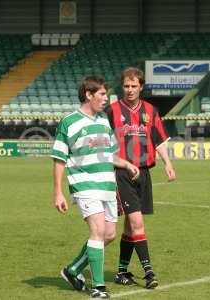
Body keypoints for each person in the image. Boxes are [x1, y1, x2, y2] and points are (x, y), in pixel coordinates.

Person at [52, 76, 140, 298]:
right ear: (88, 95)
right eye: (102, 94)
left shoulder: (103, 120)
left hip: (107, 186)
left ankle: (72, 270)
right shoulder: (69, 122)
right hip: (84, 185)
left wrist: (127, 163)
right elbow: (59, 158)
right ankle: (98, 287)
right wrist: (58, 192)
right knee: (98, 231)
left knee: (109, 234)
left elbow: (110, 154)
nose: (106, 99)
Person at [105, 67, 176, 289]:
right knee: (137, 222)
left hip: (144, 173)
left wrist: (168, 163)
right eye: (126, 86)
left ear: (141, 87)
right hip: (121, 173)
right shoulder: (112, 111)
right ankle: (149, 272)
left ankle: (121, 272)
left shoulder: (150, 110)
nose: (130, 90)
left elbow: (160, 139)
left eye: (134, 86)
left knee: (129, 226)